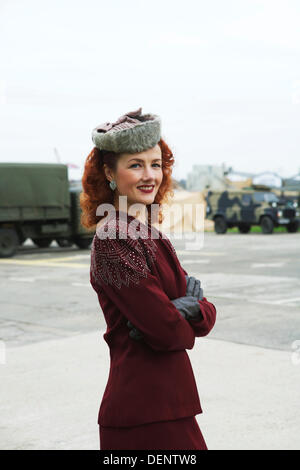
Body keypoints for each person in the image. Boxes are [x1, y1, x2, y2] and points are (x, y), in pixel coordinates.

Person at [80, 107, 217, 450]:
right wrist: (179, 312)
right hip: (142, 414)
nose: (149, 175)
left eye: (155, 164)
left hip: (170, 405)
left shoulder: (150, 234)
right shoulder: (113, 237)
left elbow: (206, 316)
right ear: (110, 172)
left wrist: (184, 310)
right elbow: (167, 333)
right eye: (135, 164)